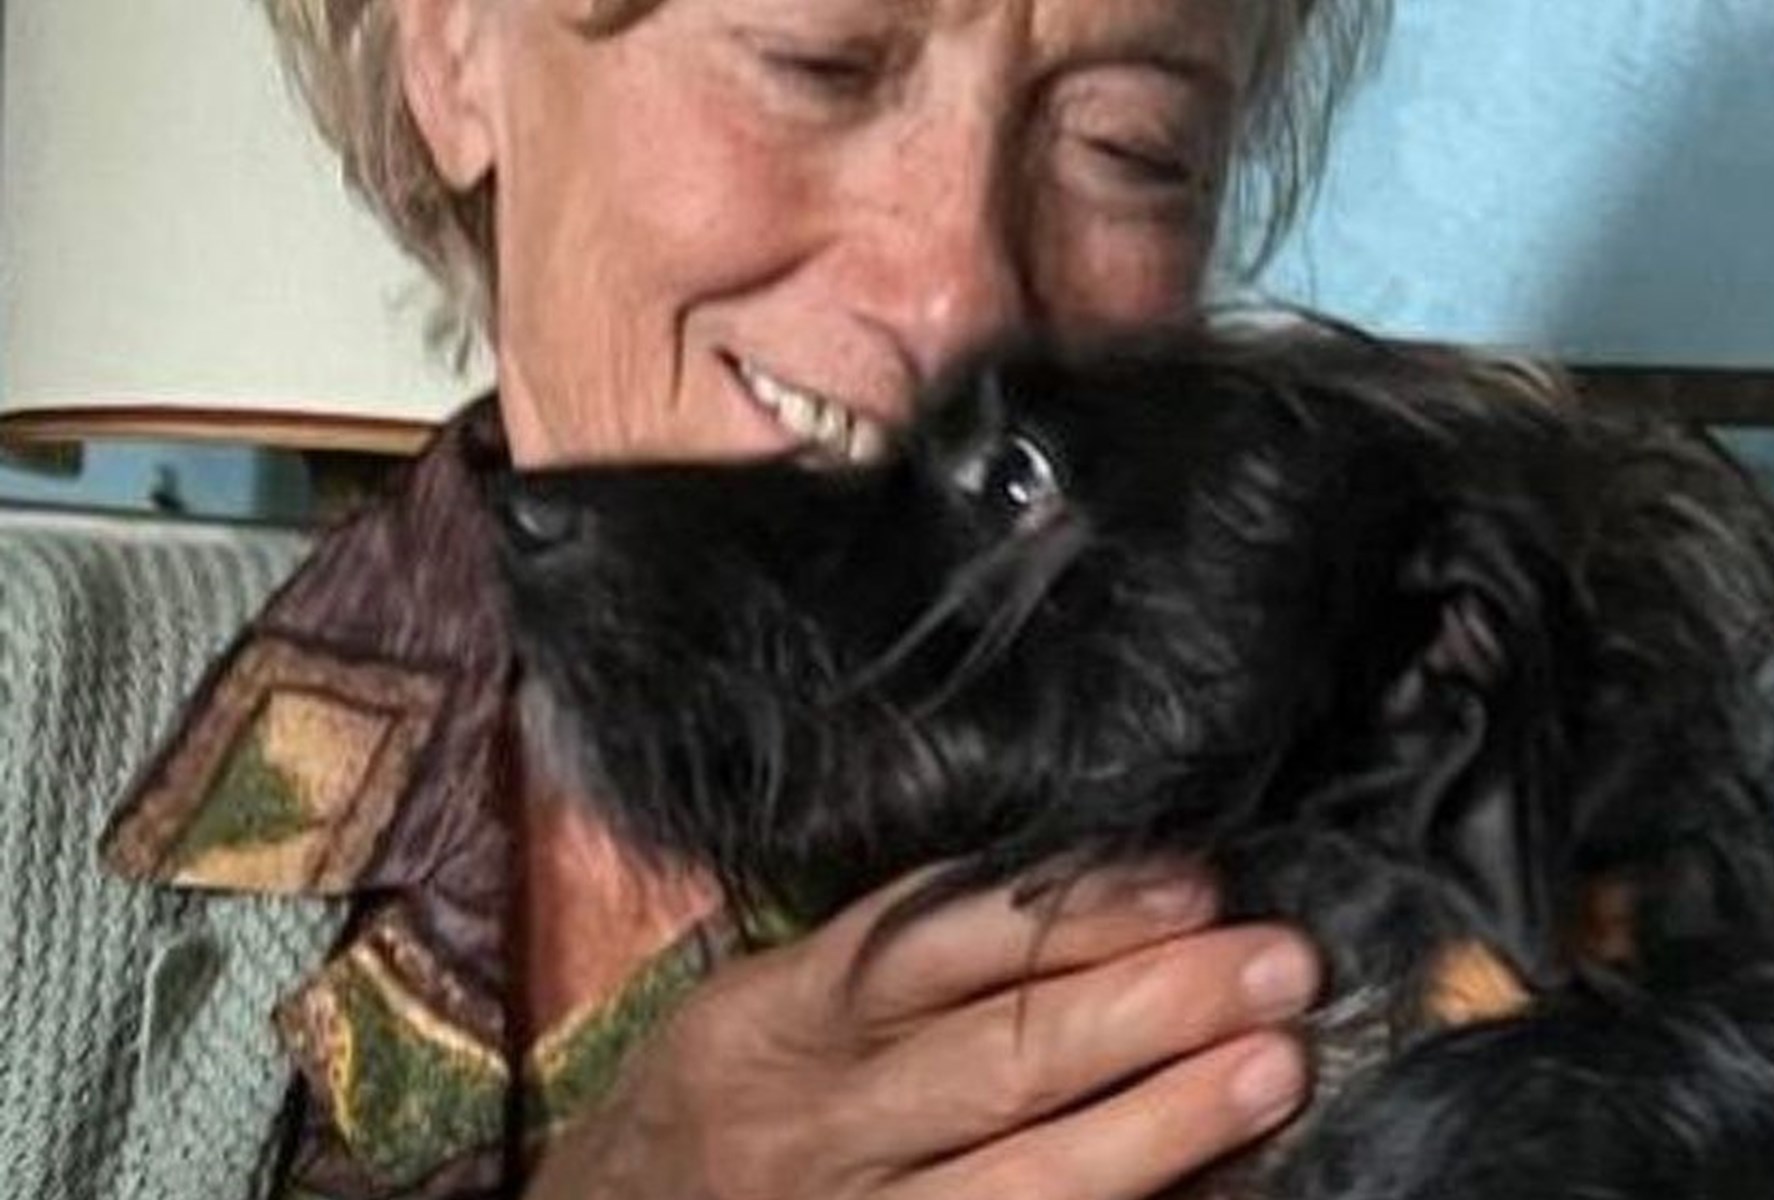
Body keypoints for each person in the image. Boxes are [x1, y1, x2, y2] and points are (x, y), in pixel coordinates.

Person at [83, 1, 1380, 1196]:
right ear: (455, 46)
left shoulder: (1354, 874)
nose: (959, 302)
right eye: (815, 64)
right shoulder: (40, 705)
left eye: (1130, 145)